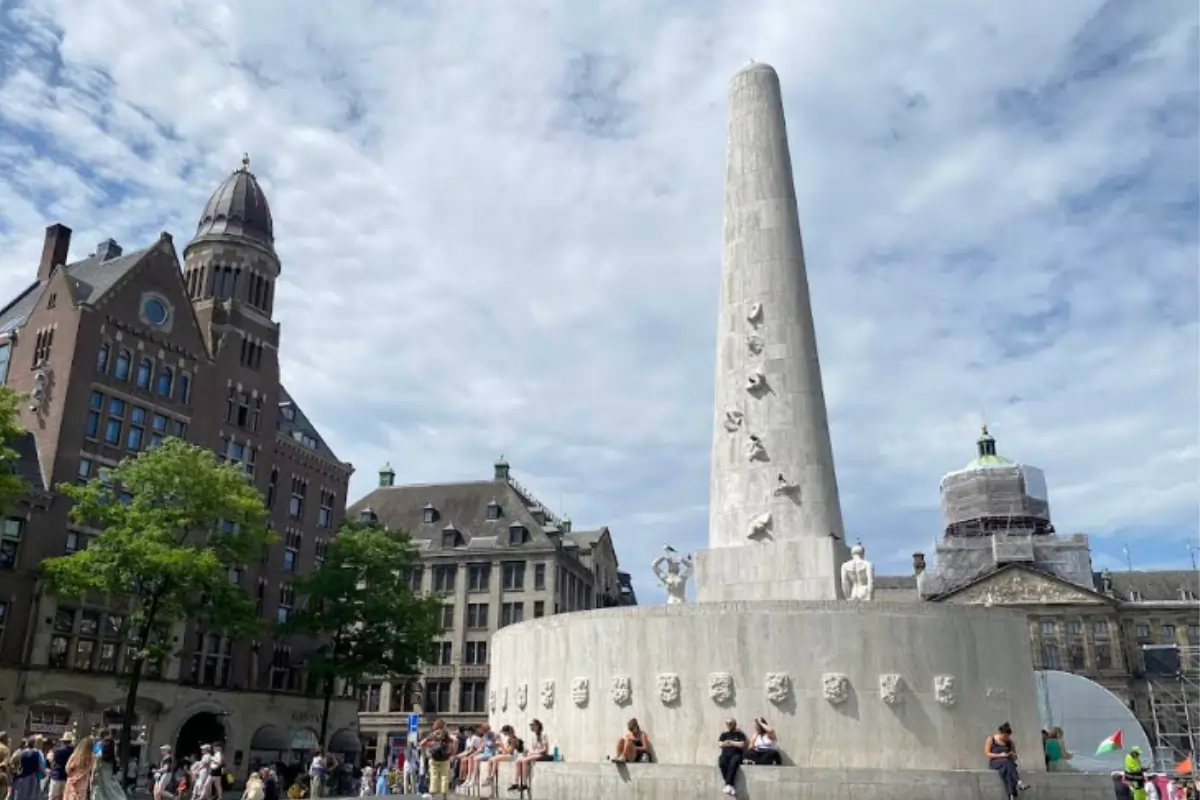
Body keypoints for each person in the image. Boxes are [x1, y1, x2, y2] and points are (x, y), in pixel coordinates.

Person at [985, 722, 1029, 799]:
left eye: (1007, 736)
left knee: (1007, 771)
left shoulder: (1010, 742)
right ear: (1000, 733)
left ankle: (1011, 795)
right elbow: (988, 753)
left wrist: (1012, 755)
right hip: (996, 761)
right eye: (1004, 736)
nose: (1006, 738)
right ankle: (1018, 782)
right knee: (1008, 764)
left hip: (1007, 763)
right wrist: (1001, 755)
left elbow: (1015, 756)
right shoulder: (991, 739)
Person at [511, 719, 552, 793]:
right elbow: (533, 749)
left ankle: (524, 783)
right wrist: (529, 752)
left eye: (532, 725)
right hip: (535, 754)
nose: (531, 727)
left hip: (543, 754)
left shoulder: (544, 734)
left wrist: (534, 753)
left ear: (537, 726)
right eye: (530, 726)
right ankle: (516, 782)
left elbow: (545, 749)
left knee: (525, 760)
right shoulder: (533, 736)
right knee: (518, 761)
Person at [418, 719, 455, 799]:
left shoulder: (433, 734)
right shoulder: (446, 734)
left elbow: (421, 744)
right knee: (444, 777)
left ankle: (432, 797)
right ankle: (444, 797)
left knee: (434, 777)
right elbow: (455, 740)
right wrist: (452, 753)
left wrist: (427, 752)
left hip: (434, 759)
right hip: (445, 759)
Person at [717, 718, 748, 796]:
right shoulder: (724, 735)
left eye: (730, 723)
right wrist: (729, 743)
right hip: (725, 754)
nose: (728, 725)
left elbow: (742, 744)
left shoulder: (739, 734)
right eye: (727, 723)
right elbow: (720, 744)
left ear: (734, 724)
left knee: (733, 762)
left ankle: (728, 784)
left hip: (736, 754)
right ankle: (730, 785)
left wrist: (731, 742)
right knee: (722, 762)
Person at [92, 732, 126, 800]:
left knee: (100, 792)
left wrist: (93, 775)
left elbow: (95, 763)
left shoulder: (99, 750)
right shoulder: (113, 753)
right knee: (111, 790)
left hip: (100, 775)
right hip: (109, 774)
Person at [50, 732, 77, 800]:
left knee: (53, 797)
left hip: (57, 775)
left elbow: (53, 761)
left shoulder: (57, 750)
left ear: (63, 741)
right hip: (67, 777)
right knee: (64, 797)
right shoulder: (74, 751)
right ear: (70, 741)